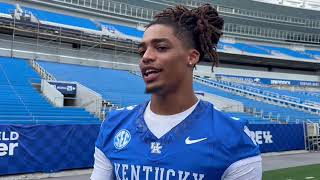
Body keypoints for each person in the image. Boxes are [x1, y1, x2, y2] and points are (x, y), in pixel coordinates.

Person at [91, 4, 262, 180]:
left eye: (161, 48)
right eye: (143, 50)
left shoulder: (233, 136)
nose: (146, 57)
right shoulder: (114, 125)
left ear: (192, 57)